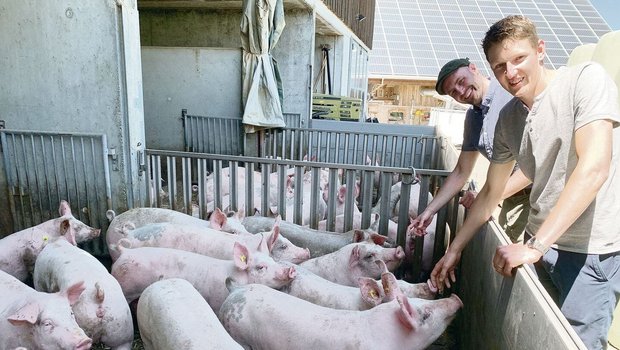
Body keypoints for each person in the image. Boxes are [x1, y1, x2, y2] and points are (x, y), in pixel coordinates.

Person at [430, 15, 620, 350]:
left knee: (578, 343)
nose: (511, 73)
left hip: (589, 251)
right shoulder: (509, 118)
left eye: (519, 59)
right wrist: (454, 250)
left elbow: (593, 169)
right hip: (540, 244)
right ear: (490, 68)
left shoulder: (585, 81)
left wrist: (535, 246)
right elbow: (490, 192)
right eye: (501, 66)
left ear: (540, 50)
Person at [410, 58, 531, 243]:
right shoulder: (474, 117)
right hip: (511, 196)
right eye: (453, 92)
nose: (460, 92)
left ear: (473, 68)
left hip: (539, 194)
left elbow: (532, 167)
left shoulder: (510, 97)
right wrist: (430, 210)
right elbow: (461, 171)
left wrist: (484, 197)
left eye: (461, 81)